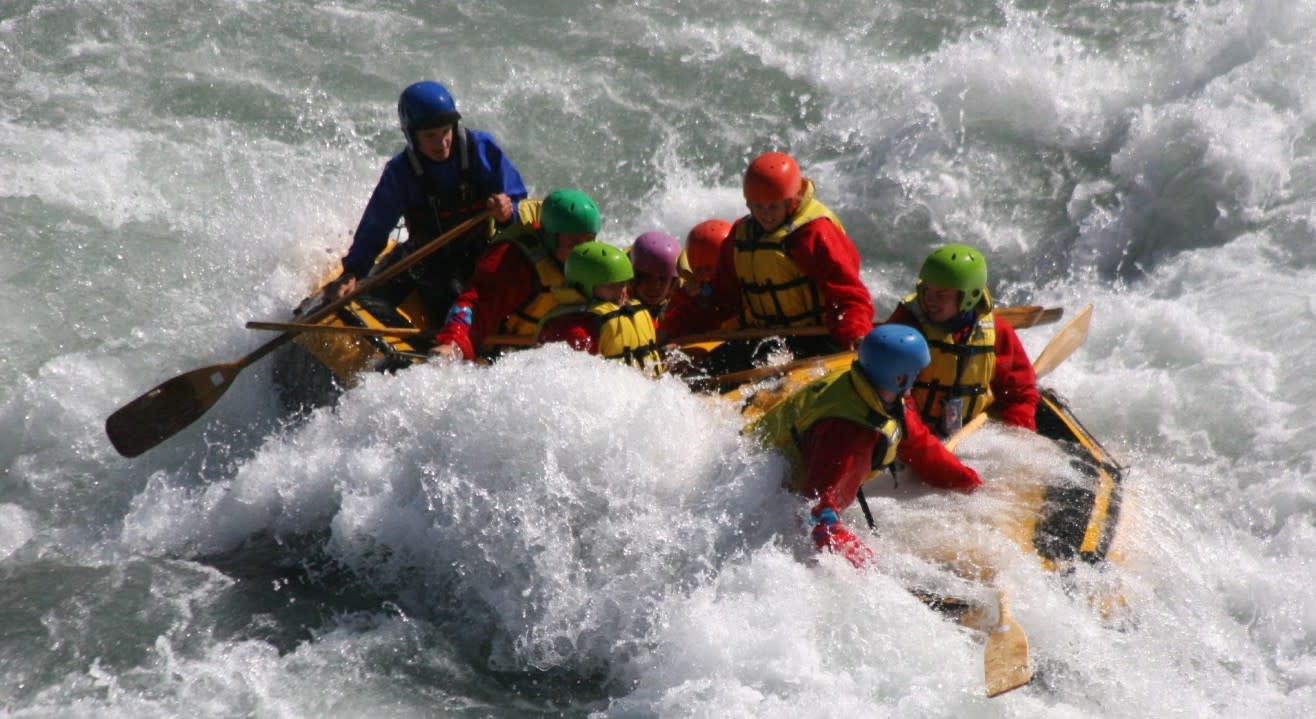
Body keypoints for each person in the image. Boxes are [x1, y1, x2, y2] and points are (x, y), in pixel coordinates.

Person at [746, 325, 982, 568]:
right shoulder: (850, 436)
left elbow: (919, 445)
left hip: (759, 453)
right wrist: (870, 567)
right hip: (754, 486)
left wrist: (970, 482)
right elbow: (817, 516)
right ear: (900, 378)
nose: (920, 378)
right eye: (917, 372)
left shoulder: (873, 390)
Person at [324, 80, 528, 325]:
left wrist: (508, 210)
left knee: (454, 303)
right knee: (368, 296)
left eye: (445, 132)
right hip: (427, 258)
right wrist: (353, 272)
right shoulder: (401, 172)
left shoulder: (482, 150)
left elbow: (520, 204)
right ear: (412, 136)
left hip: (481, 255)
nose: (441, 143)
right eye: (430, 136)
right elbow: (375, 227)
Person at [659, 152, 874, 373]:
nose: (766, 215)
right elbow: (723, 298)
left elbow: (848, 294)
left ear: (792, 201)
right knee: (698, 375)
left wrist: (855, 335)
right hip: (764, 338)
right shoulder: (741, 235)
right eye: (758, 207)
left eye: (773, 207)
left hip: (820, 339)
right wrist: (677, 328)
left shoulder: (814, 233)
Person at [883, 243, 1039, 436]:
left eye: (941, 294)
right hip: (913, 433)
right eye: (926, 291)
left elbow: (1020, 395)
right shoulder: (907, 325)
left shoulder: (997, 331)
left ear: (969, 297)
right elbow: (889, 394)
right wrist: (925, 443)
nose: (930, 300)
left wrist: (1017, 437)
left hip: (968, 433)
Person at [430, 188, 602, 361]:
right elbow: (475, 305)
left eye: (589, 240)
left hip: (559, 354)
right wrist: (453, 343)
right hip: (505, 359)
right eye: (575, 243)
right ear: (550, 236)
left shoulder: (592, 258)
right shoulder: (514, 260)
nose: (584, 250)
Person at [537, 242, 665, 376]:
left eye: (623, 283)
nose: (621, 291)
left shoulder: (631, 312)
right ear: (583, 287)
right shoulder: (574, 329)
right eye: (611, 285)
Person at [626, 231, 684, 319]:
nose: (654, 286)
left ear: (672, 282)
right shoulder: (616, 292)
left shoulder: (684, 292)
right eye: (648, 277)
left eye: (662, 279)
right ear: (634, 278)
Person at [680, 218, 732, 299]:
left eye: (708, 268)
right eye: (697, 269)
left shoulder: (741, 284)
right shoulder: (690, 288)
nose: (702, 274)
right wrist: (685, 296)